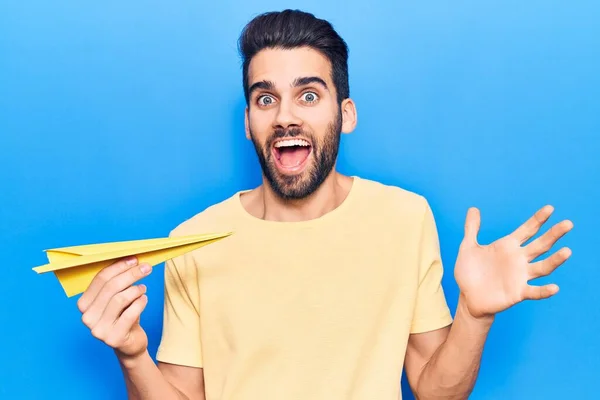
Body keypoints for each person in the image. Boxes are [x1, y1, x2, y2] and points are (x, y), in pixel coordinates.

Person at [76, 9, 573, 400]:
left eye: (309, 95)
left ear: (346, 114)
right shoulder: (192, 242)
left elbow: (434, 391)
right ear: (248, 122)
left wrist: (475, 315)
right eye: (265, 99)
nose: (286, 116)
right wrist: (133, 356)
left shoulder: (404, 219)